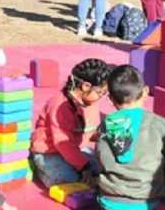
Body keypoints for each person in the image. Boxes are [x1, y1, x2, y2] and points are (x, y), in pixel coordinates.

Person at [96, 65, 165, 210]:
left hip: (111, 201)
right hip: (146, 202)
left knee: (102, 200)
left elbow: (100, 159)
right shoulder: (160, 124)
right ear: (145, 91)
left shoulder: (106, 125)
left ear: (110, 99)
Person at [32, 59, 111, 187]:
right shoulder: (59, 105)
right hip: (50, 151)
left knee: (104, 169)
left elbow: (93, 127)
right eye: (101, 92)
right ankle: (39, 167)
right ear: (85, 86)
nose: (102, 96)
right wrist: (84, 167)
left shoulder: (91, 101)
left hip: (75, 149)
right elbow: (62, 143)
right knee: (67, 179)